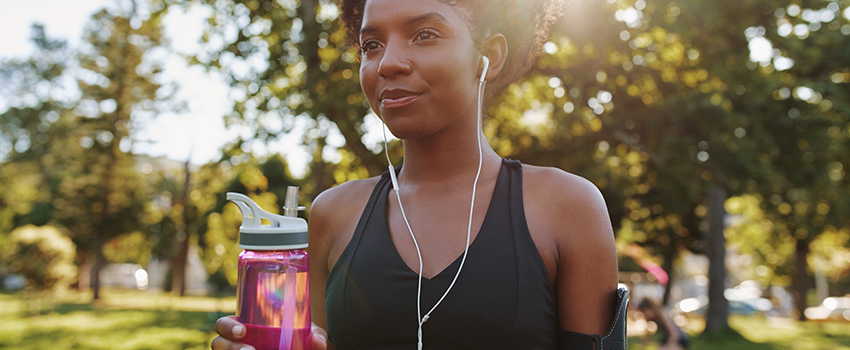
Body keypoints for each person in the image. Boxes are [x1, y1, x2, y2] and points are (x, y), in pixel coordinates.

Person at [212, 0, 625, 349]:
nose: (387, 63)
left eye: (424, 35)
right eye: (371, 45)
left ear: (490, 57)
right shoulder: (333, 214)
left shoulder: (566, 207)